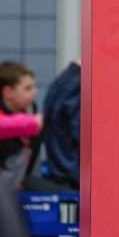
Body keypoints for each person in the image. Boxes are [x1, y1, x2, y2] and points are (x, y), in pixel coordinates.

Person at [0, 62, 41, 190]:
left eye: (34, 87)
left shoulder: (32, 116)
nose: (35, 92)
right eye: (28, 88)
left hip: (25, 184)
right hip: (0, 189)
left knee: (71, 196)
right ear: (8, 92)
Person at [43, 61, 81, 190]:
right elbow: (82, 133)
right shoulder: (78, 84)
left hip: (60, 168)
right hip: (71, 173)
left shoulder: (63, 81)